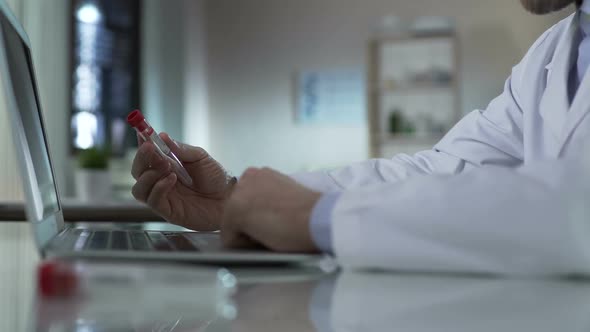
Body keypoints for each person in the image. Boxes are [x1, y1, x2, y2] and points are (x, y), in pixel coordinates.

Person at [131, 0, 590, 276]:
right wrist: (237, 198)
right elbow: (444, 169)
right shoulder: (555, 52)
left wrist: (317, 217)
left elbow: (576, 205)